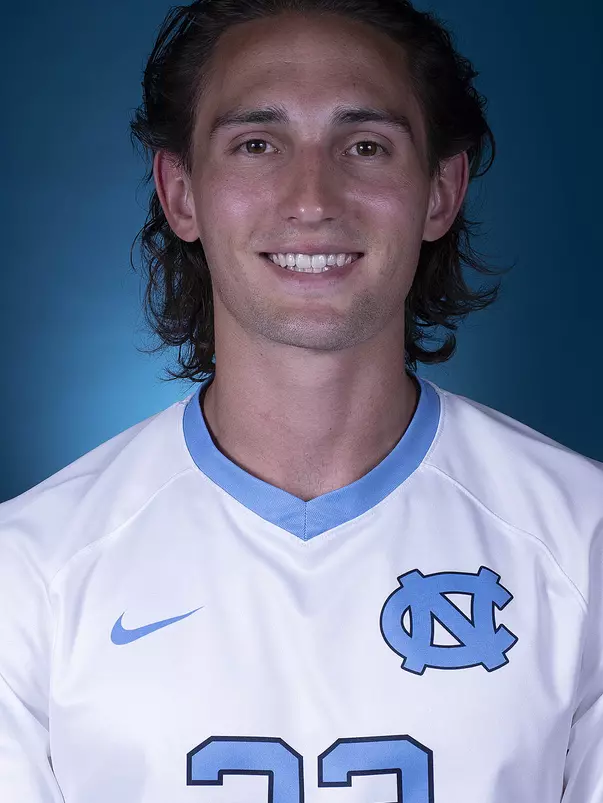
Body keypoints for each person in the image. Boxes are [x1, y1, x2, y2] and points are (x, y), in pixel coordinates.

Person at [0, 0, 601, 800]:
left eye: (364, 146)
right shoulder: (29, 570)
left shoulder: (584, 543)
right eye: (256, 144)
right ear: (181, 193)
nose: (312, 198)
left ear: (439, 191)